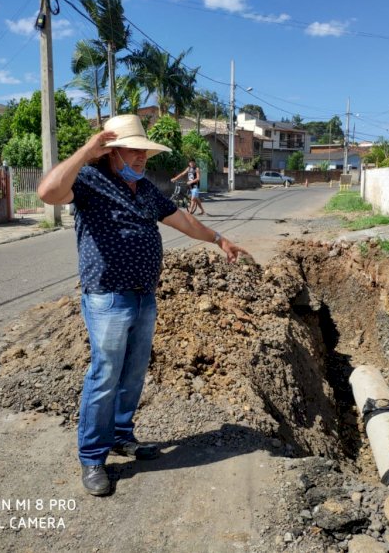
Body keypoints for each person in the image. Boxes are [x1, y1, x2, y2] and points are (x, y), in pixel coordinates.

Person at [37, 114, 251, 497]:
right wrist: (86, 150)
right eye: (133, 152)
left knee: (133, 375)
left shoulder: (145, 190)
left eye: (144, 154)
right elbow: (48, 192)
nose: (141, 160)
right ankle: (92, 458)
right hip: (107, 297)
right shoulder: (87, 180)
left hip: (143, 296)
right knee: (104, 375)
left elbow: (183, 220)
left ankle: (121, 436)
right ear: (110, 151)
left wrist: (219, 238)